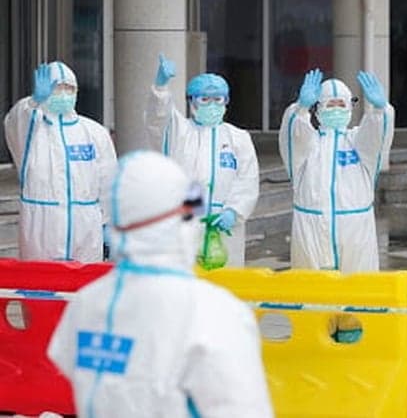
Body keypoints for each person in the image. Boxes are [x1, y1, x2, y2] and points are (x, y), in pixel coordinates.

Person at [47, 151, 273, 417]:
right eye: (193, 206)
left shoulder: (88, 301)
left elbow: (69, 361)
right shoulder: (213, 312)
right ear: (181, 219)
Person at [145, 54, 259, 267]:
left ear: (226, 102)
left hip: (224, 225)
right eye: (204, 99)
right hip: (185, 220)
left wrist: (234, 211)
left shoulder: (238, 138)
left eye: (218, 99)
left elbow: (248, 179)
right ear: (192, 102)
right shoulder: (179, 131)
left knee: (225, 286)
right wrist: (160, 89)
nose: (212, 104)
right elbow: (157, 119)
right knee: (185, 284)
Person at [279, 69, 395, 272]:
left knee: (357, 291)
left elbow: (376, 135)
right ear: (318, 109)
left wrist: (380, 109)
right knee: (312, 292)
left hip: (354, 231)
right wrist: (301, 108)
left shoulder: (358, 142)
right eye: (329, 104)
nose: (336, 109)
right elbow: (292, 136)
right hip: (311, 229)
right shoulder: (309, 145)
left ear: (351, 107)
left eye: (341, 104)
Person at [4, 61, 117, 262]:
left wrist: (108, 222)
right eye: (57, 88)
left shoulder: (94, 132)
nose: (64, 94)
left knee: (84, 286)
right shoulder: (32, 129)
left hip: (85, 227)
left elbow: (108, 180)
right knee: (42, 284)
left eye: (69, 88)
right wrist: (33, 103)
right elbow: (14, 122)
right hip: (43, 227)